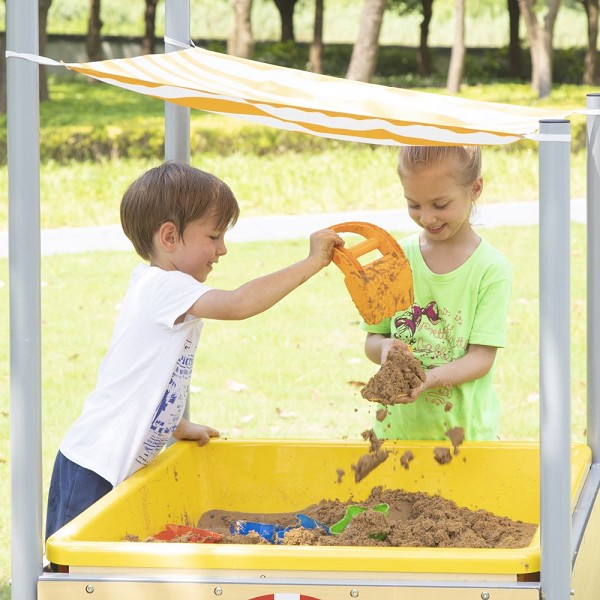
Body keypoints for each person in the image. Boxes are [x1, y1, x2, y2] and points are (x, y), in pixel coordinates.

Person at [45, 161, 344, 547]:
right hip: (93, 468)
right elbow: (239, 303)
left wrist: (175, 425)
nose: (222, 249)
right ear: (169, 236)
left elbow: (150, 372)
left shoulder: (165, 289)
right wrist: (312, 262)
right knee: (74, 572)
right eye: (214, 236)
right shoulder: (164, 287)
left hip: (105, 465)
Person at [362, 145, 512, 441]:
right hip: (396, 436)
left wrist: (427, 380)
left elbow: (481, 358)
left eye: (440, 205)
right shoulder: (394, 260)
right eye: (414, 204)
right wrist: (383, 349)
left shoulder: (491, 269)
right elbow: (372, 339)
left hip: (464, 438)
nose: (427, 217)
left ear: (475, 188)